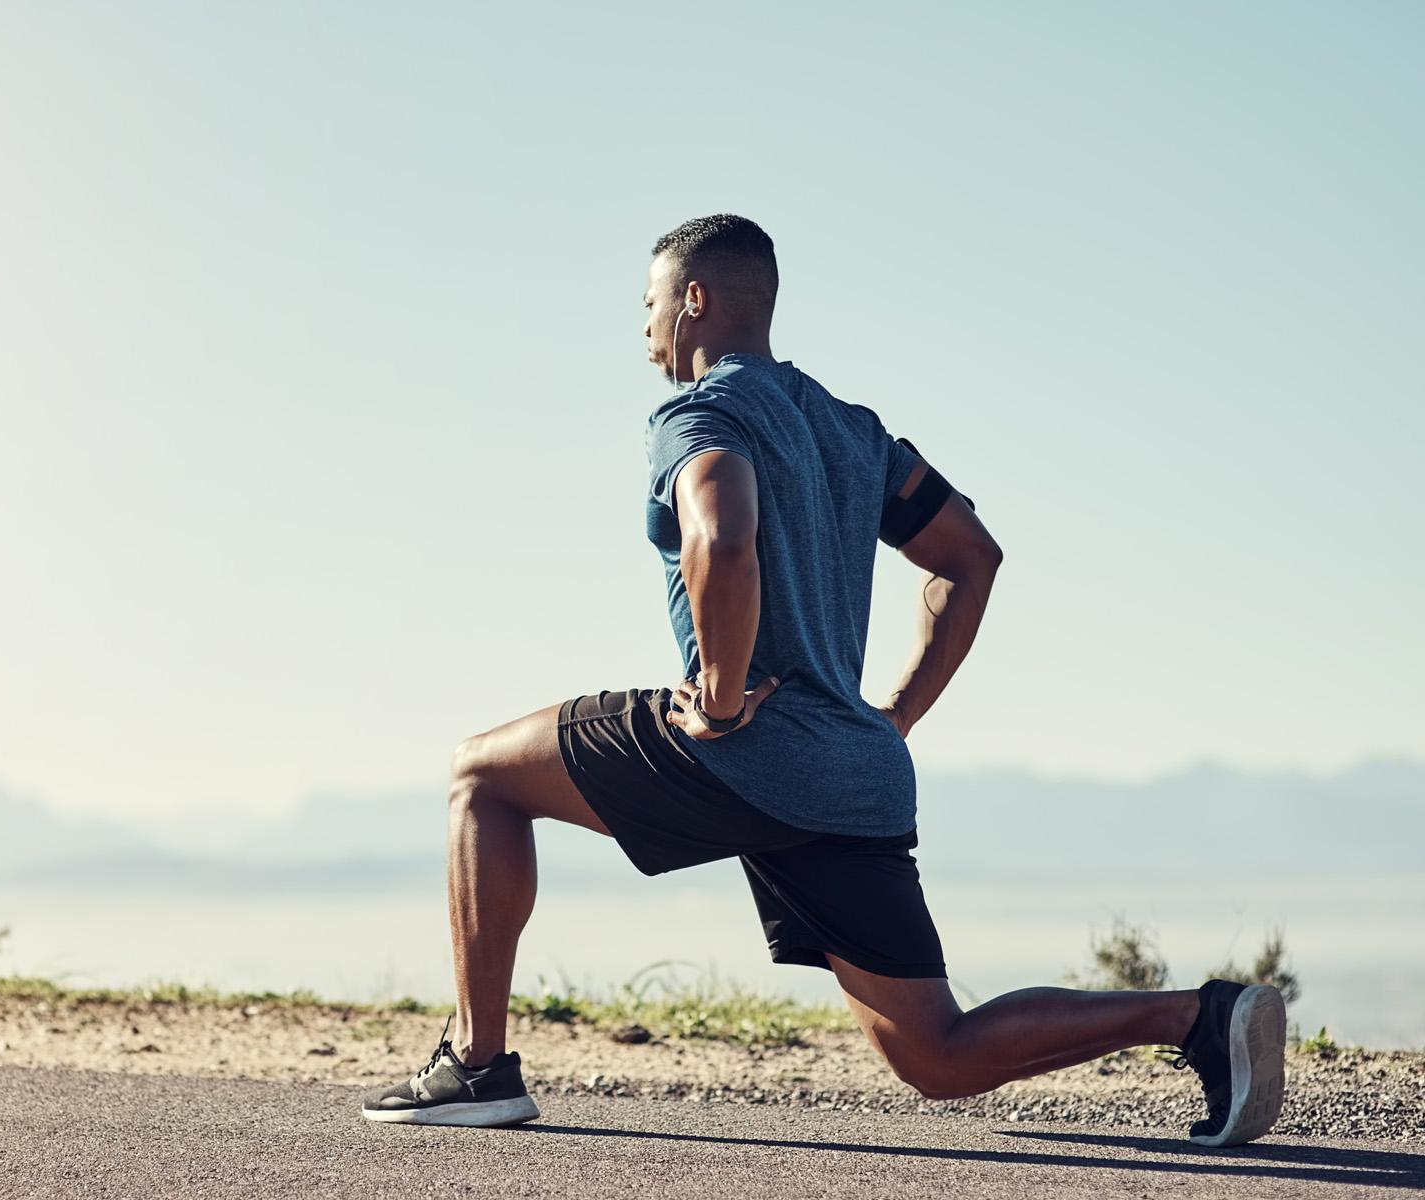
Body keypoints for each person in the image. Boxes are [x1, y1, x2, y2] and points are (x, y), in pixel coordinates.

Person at [360, 214, 1286, 1147]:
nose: (642, 335)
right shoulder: (852, 431)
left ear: (694, 301)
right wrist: (894, 718)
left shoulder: (701, 412)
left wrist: (720, 699)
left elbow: (720, 537)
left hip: (737, 747)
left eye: (647, 307)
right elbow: (972, 556)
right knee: (937, 1055)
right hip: (852, 773)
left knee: (481, 775)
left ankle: (476, 1066)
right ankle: (1200, 1020)